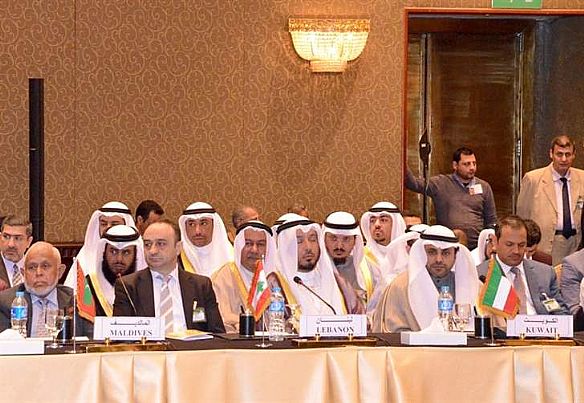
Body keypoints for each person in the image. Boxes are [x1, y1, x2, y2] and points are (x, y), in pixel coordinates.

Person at [113, 219, 225, 334]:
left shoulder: (200, 286)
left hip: (190, 345)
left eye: (161, 244)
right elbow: (120, 335)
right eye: (147, 244)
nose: (152, 251)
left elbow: (217, 333)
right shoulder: (128, 286)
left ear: (178, 248)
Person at [372, 225, 480, 333]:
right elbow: (390, 334)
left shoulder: (474, 287)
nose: (439, 259)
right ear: (422, 253)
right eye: (432, 252)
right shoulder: (400, 287)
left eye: (445, 253)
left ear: (455, 255)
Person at [405, 146, 497, 250]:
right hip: (446, 245)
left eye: (474, 163)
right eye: (466, 164)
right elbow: (413, 184)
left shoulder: (484, 187)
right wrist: (402, 156)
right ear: (455, 165)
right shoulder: (440, 183)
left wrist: (489, 244)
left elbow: (491, 221)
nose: (472, 167)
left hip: (476, 248)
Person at [212, 221, 293, 332]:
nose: (254, 250)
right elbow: (222, 320)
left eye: (260, 244)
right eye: (248, 243)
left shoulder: (276, 278)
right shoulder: (223, 278)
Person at [477, 216, 568, 315]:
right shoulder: (480, 275)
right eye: (509, 244)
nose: (516, 251)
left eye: (521, 245)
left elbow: (562, 314)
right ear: (495, 242)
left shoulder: (545, 273)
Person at [0, 242, 93, 337]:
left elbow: (91, 340)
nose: (38, 273)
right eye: (32, 267)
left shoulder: (77, 302)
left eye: (45, 266)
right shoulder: (5, 302)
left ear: (60, 271)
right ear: (23, 273)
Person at [517, 135, 584, 265]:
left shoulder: (582, 178)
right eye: (559, 154)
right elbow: (522, 217)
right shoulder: (533, 179)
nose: (563, 159)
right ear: (551, 154)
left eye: (567, 154)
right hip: (545, 247)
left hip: (577, 245)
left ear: (574, 155)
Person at [276, 216, 345, 315]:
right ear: (286, 248)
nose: (308, 247)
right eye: (299, 241)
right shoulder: (276, 284)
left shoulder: (336, 282)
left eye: (313, 240)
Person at [321, 211, 384, 317]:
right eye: (333, 238)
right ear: (324, 239)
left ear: (355, 240)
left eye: (346, 239)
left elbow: (378, 308)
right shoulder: (314, 271)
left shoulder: (369, 269)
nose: (339, 246)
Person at [64, 201, 135, 288]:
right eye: (103, 224)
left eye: (114, 224)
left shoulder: (138, 254)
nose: (108, 228)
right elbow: (72, 289)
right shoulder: (85, 255)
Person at [87, 225, 147, 317]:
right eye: (113, 252)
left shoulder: (147, 286)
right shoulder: (88, 285)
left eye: (126, 252)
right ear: (104, 252)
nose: (119, 259)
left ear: (136, 255)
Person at [178, 202, 233, 277]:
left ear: (214, 225)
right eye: (191, 224)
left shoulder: (233, 258)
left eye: (203, 223)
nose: (197, 231)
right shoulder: (175, 261)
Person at [360, 201, 407, 283]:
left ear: (395, 225)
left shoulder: (408, 256)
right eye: (372, 221)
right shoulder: (361, 258)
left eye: (383, 220)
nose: (377, 225)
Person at [0, 215, 33, 291]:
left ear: (29, 241)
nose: (11, 244)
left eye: (17, 238)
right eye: (6, 237)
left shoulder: (36, 268)